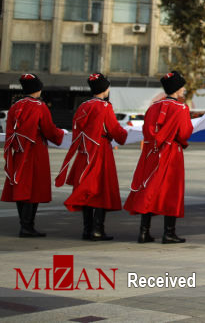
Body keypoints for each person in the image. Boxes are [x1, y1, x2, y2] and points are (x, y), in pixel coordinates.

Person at [56, 73, 128, 240]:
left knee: (86, 189)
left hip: (84, 152)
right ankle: (97, 230)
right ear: (104, 89)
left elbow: (77, 130)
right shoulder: (104, 107)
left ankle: (87, 229)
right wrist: (124, 136)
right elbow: (115, 129)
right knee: (100, 189)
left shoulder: (83, 106)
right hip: (100, 150)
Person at [124, 72, 193, 244]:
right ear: (176, 89)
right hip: (171, 151)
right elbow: (185, 132)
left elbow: (148, 130)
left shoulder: (153, 107)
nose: (184, 89)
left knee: (149, 188)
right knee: (172, 191)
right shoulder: (181, 108)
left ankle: (143, 231)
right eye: (182, 86)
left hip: (152, 153)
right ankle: (169, 233)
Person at [2, 73, 66, 237]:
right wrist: (60, 134)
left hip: (19, 151)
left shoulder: (15, 106)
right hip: (35, 150)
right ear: (37, 89)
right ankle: (27, 226)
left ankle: (24, 224)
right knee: (34, 188)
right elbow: (49, 129)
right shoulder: (39, 106)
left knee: (20, 186)